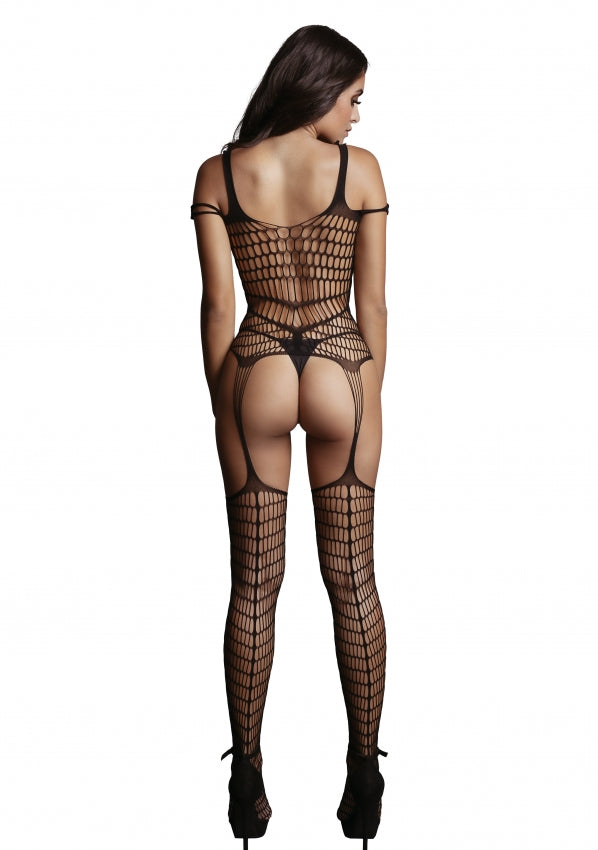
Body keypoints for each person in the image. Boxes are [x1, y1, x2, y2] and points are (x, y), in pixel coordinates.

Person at [190, 24, 389, 849]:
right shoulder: (359, 172)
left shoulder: (219, 174)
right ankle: (364, 772)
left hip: (258, 362)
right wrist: (369, 392)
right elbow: (373, 305)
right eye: (353, 99)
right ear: (318, 88)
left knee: (254, 586)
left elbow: (217, 308)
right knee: (354, 580)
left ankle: (247, 777)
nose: (357, 116)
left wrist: (224, 401)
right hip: (341, 363)